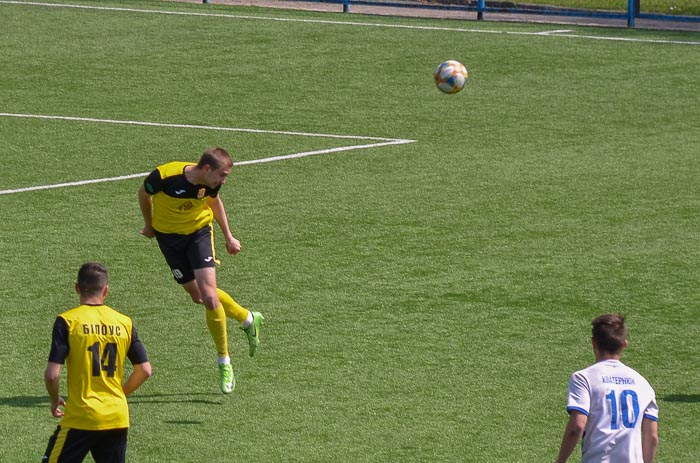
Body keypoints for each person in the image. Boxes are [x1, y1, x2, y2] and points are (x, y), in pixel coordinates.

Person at [138, 147, 264, 394]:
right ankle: (248, 318)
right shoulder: (164, 177)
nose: (224, 180)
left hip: (199, 234)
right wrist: (149, 224)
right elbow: (143, 194)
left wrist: (229, 236)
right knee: (198, 296)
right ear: (207, 169)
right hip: (169, 239)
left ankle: (224, 360)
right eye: (223, 175)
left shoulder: (211, 184)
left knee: (208, 297)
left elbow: (214, 203)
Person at [42, 262, 152, 463]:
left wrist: (54, 398)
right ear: (106, 290)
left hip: (80, 418)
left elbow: (52, 374)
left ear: (77, 288)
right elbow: (144, 370)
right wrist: (119, 394)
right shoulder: (124, 322)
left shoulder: (68, 321)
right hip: (116, 417)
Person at [555, 314, 659, 463]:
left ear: (593, 343)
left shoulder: (583, 378)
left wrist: (561, 460)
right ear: (624, 344)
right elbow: (652, 437)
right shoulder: (643, 384)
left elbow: (576, 426)